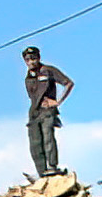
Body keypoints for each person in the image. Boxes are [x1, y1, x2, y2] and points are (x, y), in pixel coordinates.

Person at [24, 46, 75, 179]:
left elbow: (68, 83)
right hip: (34, 112)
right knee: (35, 143)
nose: (31, 62)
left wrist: (58, 101)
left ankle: (52, 167)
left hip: (47, 110)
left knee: (48, 138)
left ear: (39, 58)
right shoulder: (28, 77)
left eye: (34, 58)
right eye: (28, 59)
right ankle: (42, 172)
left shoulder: (48, 71)